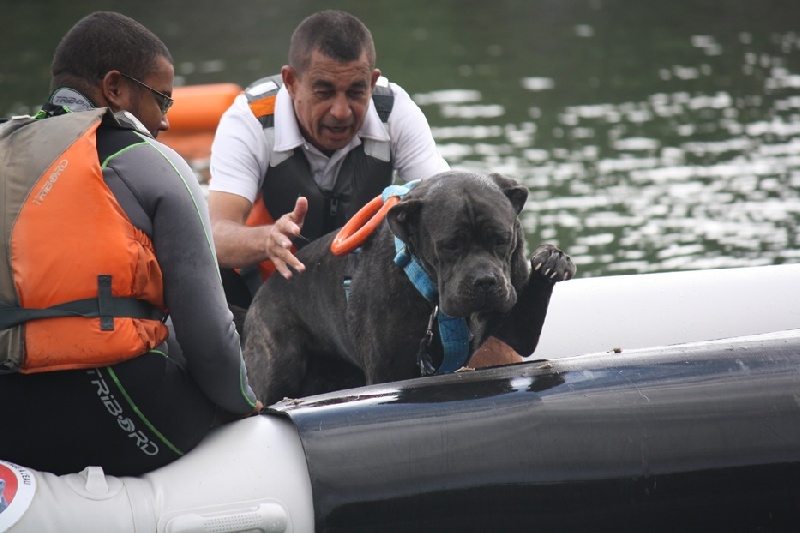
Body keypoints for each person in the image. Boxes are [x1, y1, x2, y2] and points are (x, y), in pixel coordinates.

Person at [0, 11, 261, 477]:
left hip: (9, 420)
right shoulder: (155, 165)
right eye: (162, 100)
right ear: (116, 88)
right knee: (188, 347)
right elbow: (209, 339)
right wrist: (246, 406)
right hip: (113, 405)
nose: (163, 122)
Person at [208, 10, 450, 304]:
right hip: (269, 297)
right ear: (291, 81)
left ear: (372, 83)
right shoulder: (250, 121)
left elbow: (446, 203)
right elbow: (216, 233)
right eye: (324, 92)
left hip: (363, 299)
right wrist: (268, 240)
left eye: (355, 92)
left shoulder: (395, 111)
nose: (341, 112)